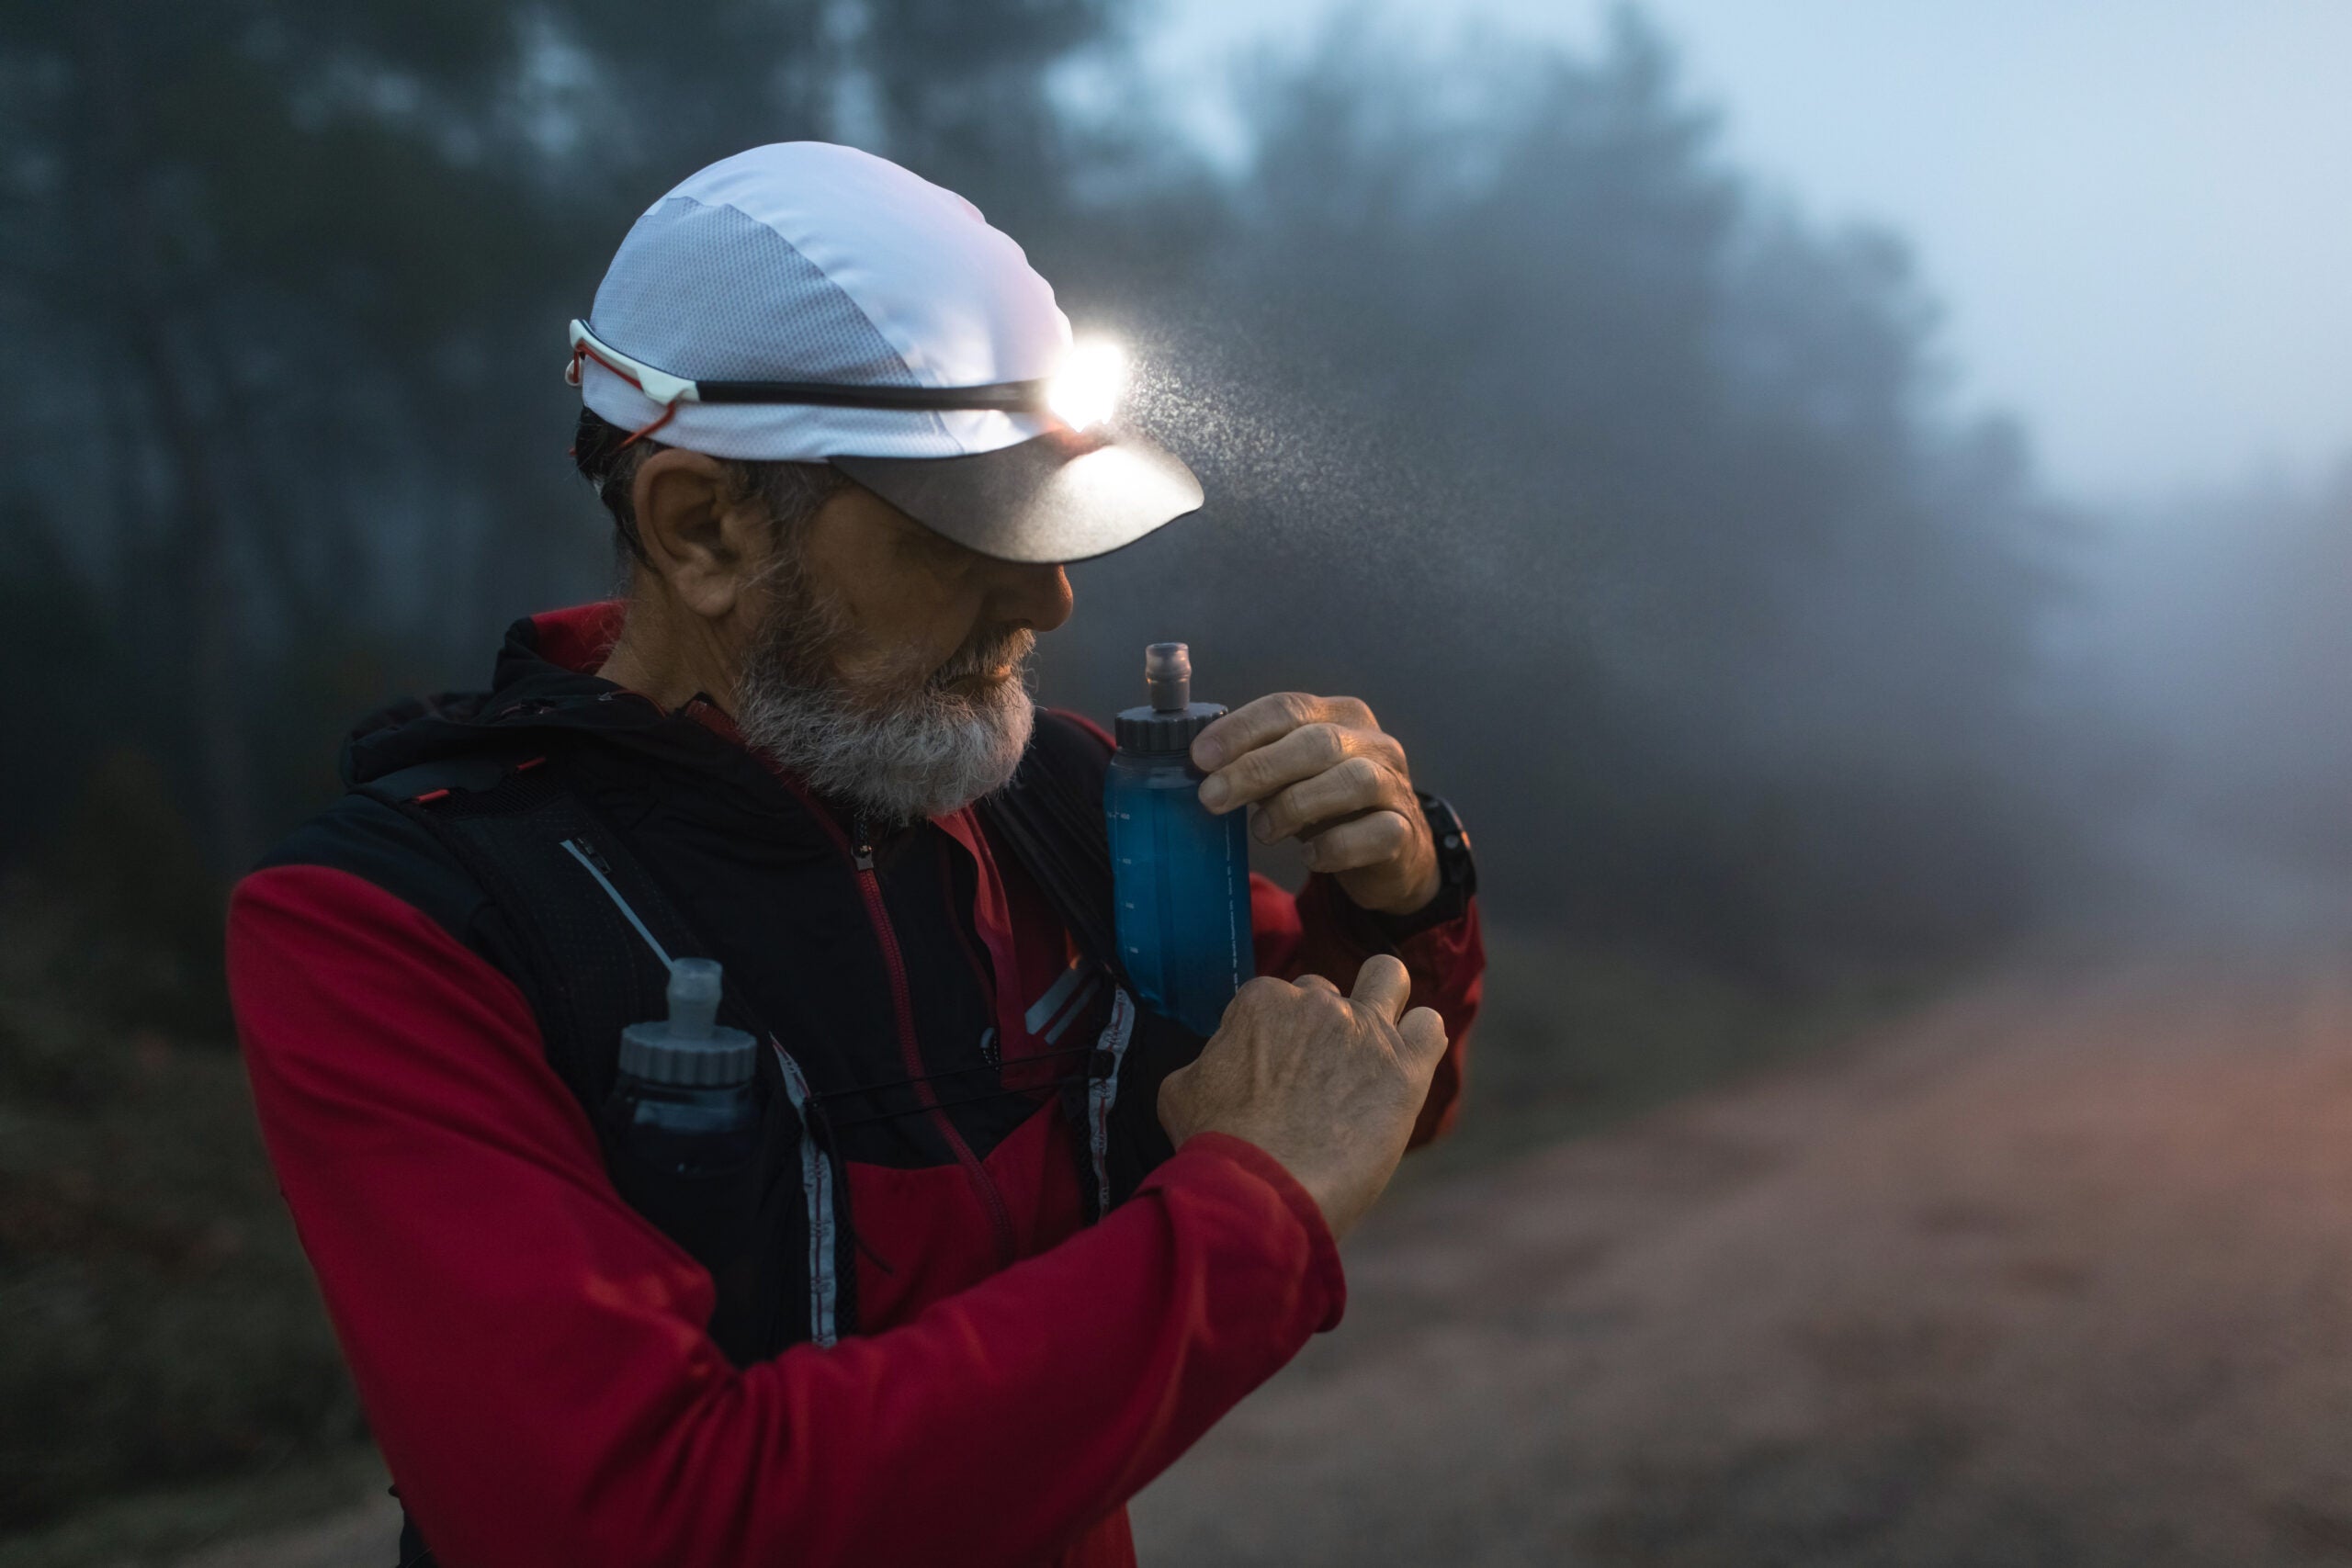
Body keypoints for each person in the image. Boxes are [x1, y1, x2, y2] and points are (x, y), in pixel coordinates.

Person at [227, 141, 1484, 1568]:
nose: (1051, 599)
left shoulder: (1058, 799)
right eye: (967, 531)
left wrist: (1401, 898)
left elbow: (1350, 1102)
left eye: (1050, 521)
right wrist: (1246, 1219)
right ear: (701, 528)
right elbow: (637, 1524)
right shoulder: (399, 924)